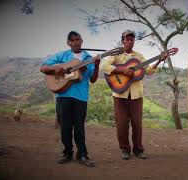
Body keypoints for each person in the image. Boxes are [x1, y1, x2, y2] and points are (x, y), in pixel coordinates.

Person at [100, 30, 167, 160]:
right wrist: (122, 70)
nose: (129, 41)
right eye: (127, 39)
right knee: (122, 124)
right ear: (123, 41)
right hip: (120, 94)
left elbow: (148, 71)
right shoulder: (117, 54)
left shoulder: (139, 56)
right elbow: (103, 65)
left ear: (134, 41)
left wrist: (159, 60)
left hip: (136, 95)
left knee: (137, 123)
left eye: (131, 39)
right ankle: (125, 149)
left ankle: (138, 149)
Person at [40, 31, 100, 167]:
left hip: (81, 97)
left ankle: (83, 155)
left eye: (77, 39)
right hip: (63, 96)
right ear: (68, 43)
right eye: (72, 40)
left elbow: (93, 79)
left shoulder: (88, 58)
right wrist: (56, 69)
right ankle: (67, 153)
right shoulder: (63, 55)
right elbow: (43, 67)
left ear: (81, 40)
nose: (75, 42)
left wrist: (96, 66)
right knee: (65, 128)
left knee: (79, 128)